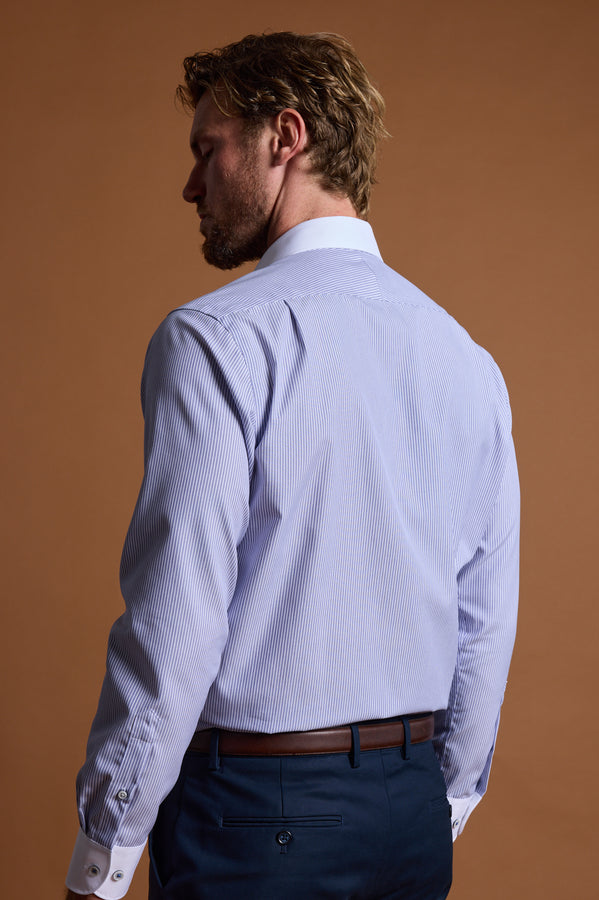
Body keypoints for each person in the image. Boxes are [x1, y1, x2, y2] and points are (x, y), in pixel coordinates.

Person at [65, 31, 519, 900]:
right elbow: (484, 616)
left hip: (256, 819)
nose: (192, 184)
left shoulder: (216, 340)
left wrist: (105, 850)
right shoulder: (467, 359)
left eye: (209, 148)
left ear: (285, 136)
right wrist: (444, 794)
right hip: (412, 815)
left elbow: (177, 620)